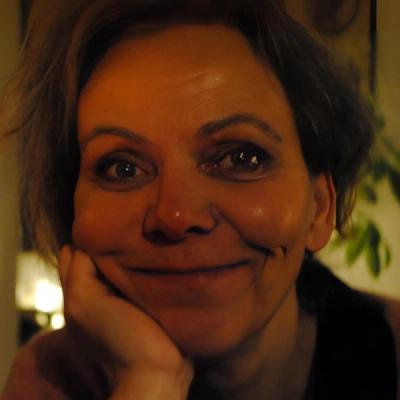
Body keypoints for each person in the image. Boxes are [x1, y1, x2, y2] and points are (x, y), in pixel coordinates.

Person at [1, 0, 399, 399]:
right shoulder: (45, 380)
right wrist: (149, 378)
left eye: (240, 159)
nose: (175, 215)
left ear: (319, 208)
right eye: (123, 168)